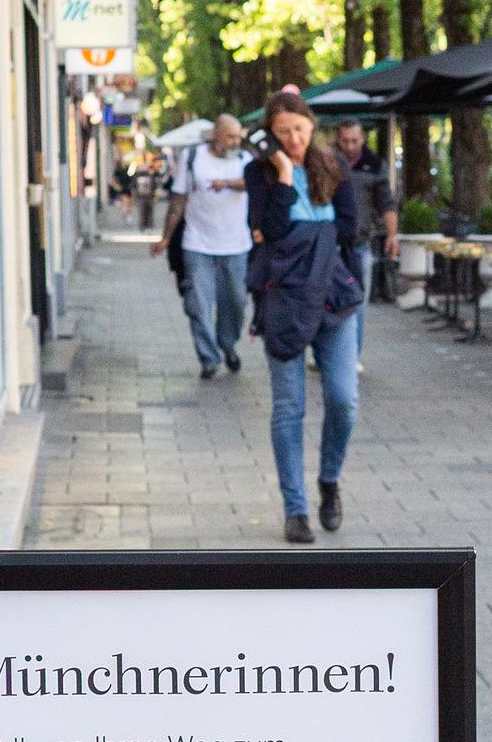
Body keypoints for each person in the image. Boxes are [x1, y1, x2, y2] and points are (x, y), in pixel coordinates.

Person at [246, 98, 363, 541]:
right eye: (283, 131)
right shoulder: (259, 173)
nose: (293, 138)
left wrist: (303, 237)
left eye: (300, 128)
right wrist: (282, 174)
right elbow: (270, 228)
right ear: (271, 134)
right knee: (288, 407)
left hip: (333, 295)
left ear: (312, 126)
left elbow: (350, 228)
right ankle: (295, 509)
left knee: (343, 399)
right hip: (284, 299)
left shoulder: (334, 166)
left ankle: (329, 480)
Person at [161, 113, 252, 376]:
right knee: (199, 304)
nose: (235, 142)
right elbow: (178, 200)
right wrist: (166, 237)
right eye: (230, 137)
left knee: (235, 302)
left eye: (238, 137)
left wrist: (228, 183)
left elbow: (254, 184)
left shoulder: (245, 160)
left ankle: (227, 344)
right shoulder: (192, 158)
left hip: (236, 244)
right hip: (197, 244)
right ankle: (209, 358)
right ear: (215, 136)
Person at [332, 117, 399, 341]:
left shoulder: (375, 165)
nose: (349, 146)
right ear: (338, 139)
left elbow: (387, 203)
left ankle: (353, 354)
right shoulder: (328, 162)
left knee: (358, 302)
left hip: (359, 244)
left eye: (354, 140)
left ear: (362, 138)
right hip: (330, 244)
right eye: (344, 141)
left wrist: (392, 235)